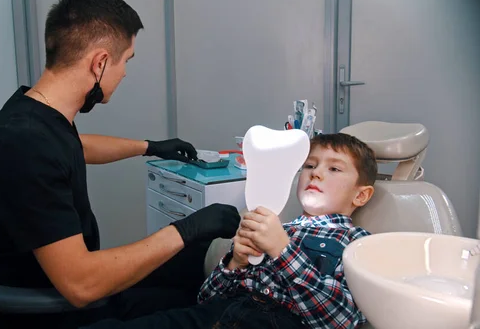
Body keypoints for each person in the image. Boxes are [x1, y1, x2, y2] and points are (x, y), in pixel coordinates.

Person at [0, 0, 241, 328]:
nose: (124, 72)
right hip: (50, 313)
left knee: (194, 266)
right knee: (223, 316)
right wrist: (188, 228)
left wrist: (150, 147)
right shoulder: (25, 145)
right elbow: (82, 285)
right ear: (99, 63)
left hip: (55, 289)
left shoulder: (32, 115)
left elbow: (76, 147)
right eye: (126, 60)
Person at [81, 132, 378, 329]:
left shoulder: (357, 243)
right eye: (309, 165)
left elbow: (341, 319)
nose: (316, 172)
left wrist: (283, 251)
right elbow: (207, 296)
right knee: (121, 307)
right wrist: (235, 262)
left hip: (274, 321)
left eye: (334, 169)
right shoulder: (281, 227)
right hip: (226, 310)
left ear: (361, 195)